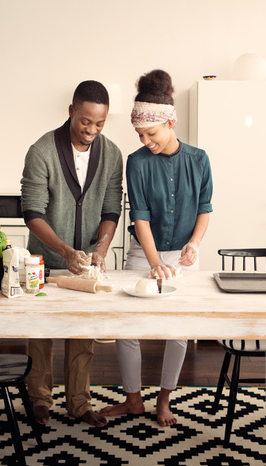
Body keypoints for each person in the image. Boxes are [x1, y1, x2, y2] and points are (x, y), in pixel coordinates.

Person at [98, 69, 213, 427]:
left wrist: (194, 243)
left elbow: (204, 209)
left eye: (151, 133)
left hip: (181, 257)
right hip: (142, 253)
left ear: (170, 122)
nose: (146, 140)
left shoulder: (199, 159)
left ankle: (164, 400)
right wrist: (153, 263)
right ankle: (134, 400)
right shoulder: (137, 162)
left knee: (178, 330)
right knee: (126, 325)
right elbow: (141, 218)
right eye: (140, 134)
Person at [20, 80, 123, 427]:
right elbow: (32, 211)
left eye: (100, 124)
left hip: (85, 265)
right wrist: (63, 250)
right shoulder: (41, 151)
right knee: (41, 333)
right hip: (46, 261)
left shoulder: (112, 155)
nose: (92, 130)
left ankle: (79, 403)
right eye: (85, 122)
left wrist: (101, 250)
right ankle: (40, 401)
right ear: (71, 112)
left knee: (82, 333)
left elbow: (111, 208)